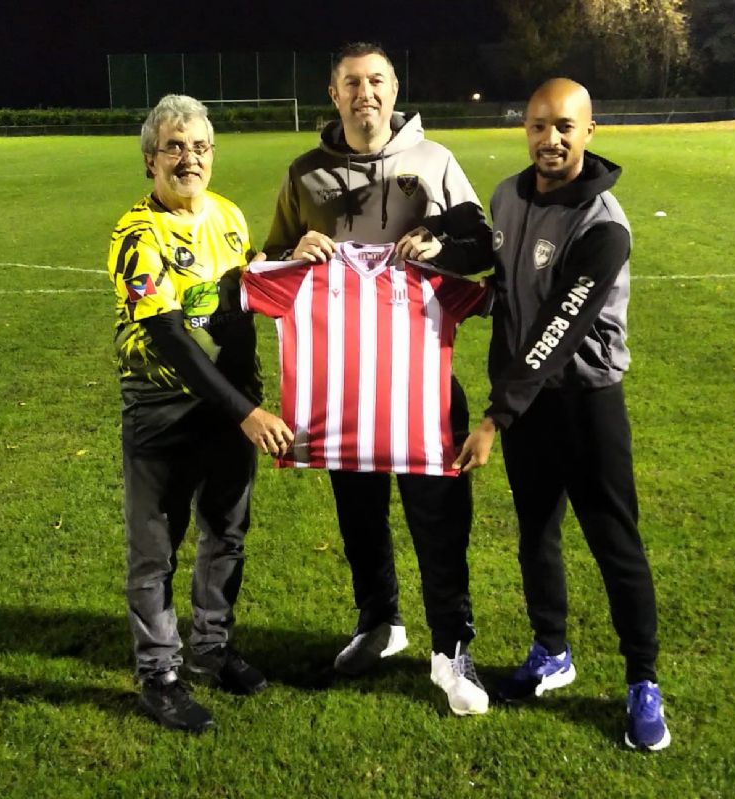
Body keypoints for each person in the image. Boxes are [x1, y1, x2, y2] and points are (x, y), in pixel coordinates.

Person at [263, 42, 492, 715]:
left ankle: (452, 648)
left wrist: (441, 243)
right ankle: (379, 622)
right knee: (359, 514)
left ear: (395, 91)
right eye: (352, 82)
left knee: (441, 520)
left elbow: (482, 246)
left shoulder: (435, 162)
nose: (366, 93)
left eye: (377, 81)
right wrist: (292, 251)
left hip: (422, 387)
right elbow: (266, 262)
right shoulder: (306, 174)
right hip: (343, 389)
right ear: (332, 95)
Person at [454, 78, 671, 749]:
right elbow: (512, 292)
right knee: (535, 531)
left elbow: (558, 327)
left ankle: (643, 680)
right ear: (525, 128)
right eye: (539, 126)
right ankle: (551, 650)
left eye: (565, 127)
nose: (551, 139)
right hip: (532, 404)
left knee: (615, 541)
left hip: (586, 403)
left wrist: (494, 417)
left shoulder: (603, 226)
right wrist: (452, 285)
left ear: (589, 132)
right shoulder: (507, 196)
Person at [107, 94, 293, 733]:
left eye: (200, 146)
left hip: (232, 406)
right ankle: (160, 674)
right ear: (150, 162)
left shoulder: (231, 217)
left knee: (226, 533)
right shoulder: (136, 236)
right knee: (154, 552)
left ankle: (212, 651)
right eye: (174, 147)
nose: (189, 158)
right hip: (162, 408)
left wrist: (300, 257)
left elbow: (242, 310)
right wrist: (246, 411)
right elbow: (171, 339)